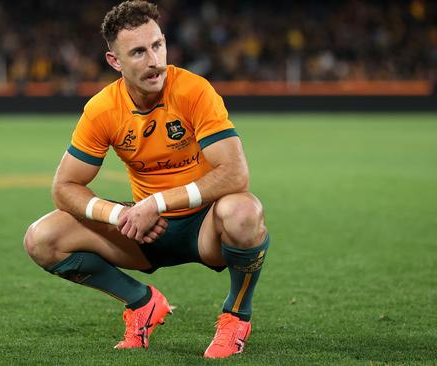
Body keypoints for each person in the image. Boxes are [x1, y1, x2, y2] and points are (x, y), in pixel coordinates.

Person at [23, 0, 270, 359]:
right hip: (142, 232)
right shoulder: (103, 109)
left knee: (245, 211)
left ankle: (236, 316)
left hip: (205, 227)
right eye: (138, 52)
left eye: (157, 46)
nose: (154, 60)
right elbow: (64, 187)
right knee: (41, 239)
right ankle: (142, 303)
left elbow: (235, 173)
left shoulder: (194, 90)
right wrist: (118, 215)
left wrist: (155, 203)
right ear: (115, 61)